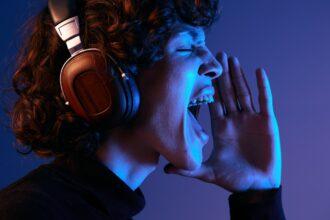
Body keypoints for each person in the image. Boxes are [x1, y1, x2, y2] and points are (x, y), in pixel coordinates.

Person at [0, 0, 286, 219]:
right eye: (186, 48)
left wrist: (257, 199)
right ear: (101, 81)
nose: (215, 66)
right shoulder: (29, 212)